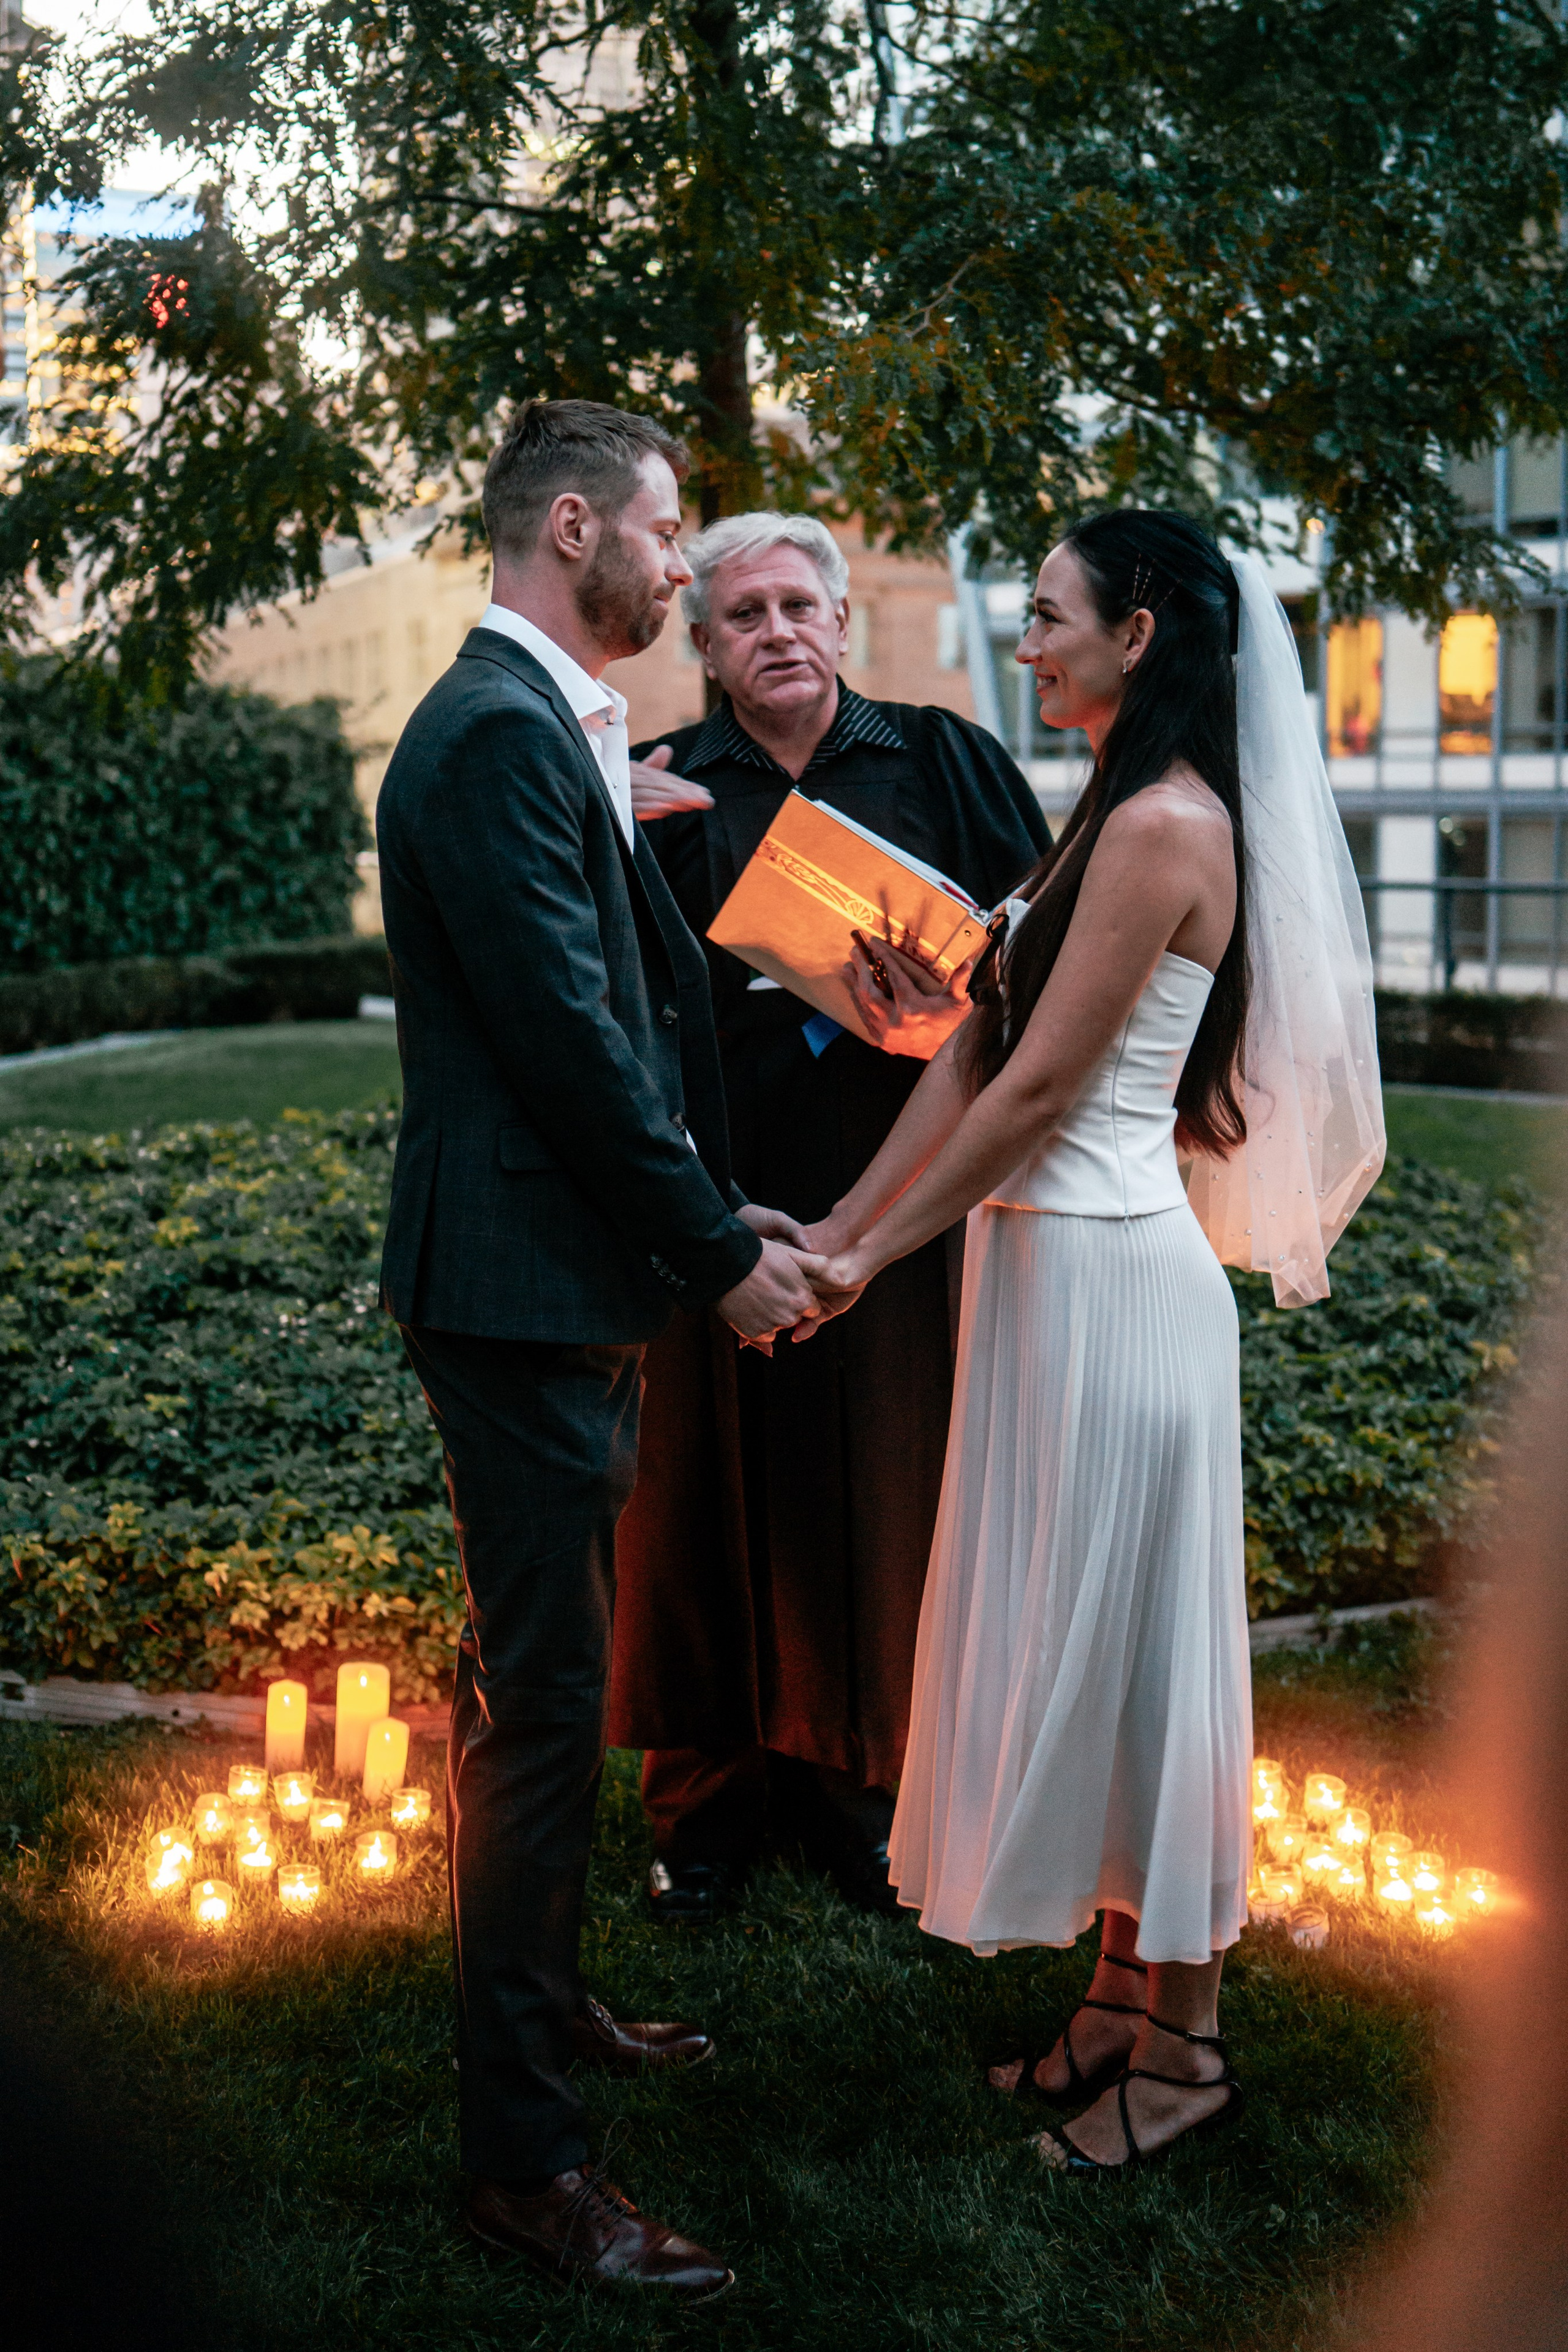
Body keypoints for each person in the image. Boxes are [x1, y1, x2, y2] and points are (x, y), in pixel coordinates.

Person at [797, 511, 1384, 2169]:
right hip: (1046, 1280)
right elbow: (972, 1049)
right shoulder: (1103, 818)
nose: (1030, 641)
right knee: (1102, 1637)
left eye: (1049, 617)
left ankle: (1188, 2054)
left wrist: (868, 1261)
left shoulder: (1164, 827)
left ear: (1138, 635)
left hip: (1118, 1284)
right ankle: (1120, 2007)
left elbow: (1047, 1093)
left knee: (1149, 1666)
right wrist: (841, 1229)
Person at [375, 400, 821, 2296]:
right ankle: (524, 2165)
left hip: (563, 1281)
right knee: (546, 1719)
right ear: (574, 529)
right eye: (667, 535)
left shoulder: (550, 730)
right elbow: (567, 1047)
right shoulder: (487, 737)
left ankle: (548, 2014)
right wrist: (716, 1252)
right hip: (521, 1289)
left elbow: (629, 1017)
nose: (686, 567)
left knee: (552, 1701)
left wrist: (733, 1213)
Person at [605, 511, 1050, 1920]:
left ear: (843, 621)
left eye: (799, 606)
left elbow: (1039, 950)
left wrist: (950, 978)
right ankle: (705, 1807)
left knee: (888, 1478)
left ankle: (870, 1792)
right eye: (743, 617)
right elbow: (608, 1002)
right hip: (718, 1194)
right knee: (701, 1493)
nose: (776, 632)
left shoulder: (941, 757)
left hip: (904, 1195)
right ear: (706, 645)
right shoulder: (663, 784)